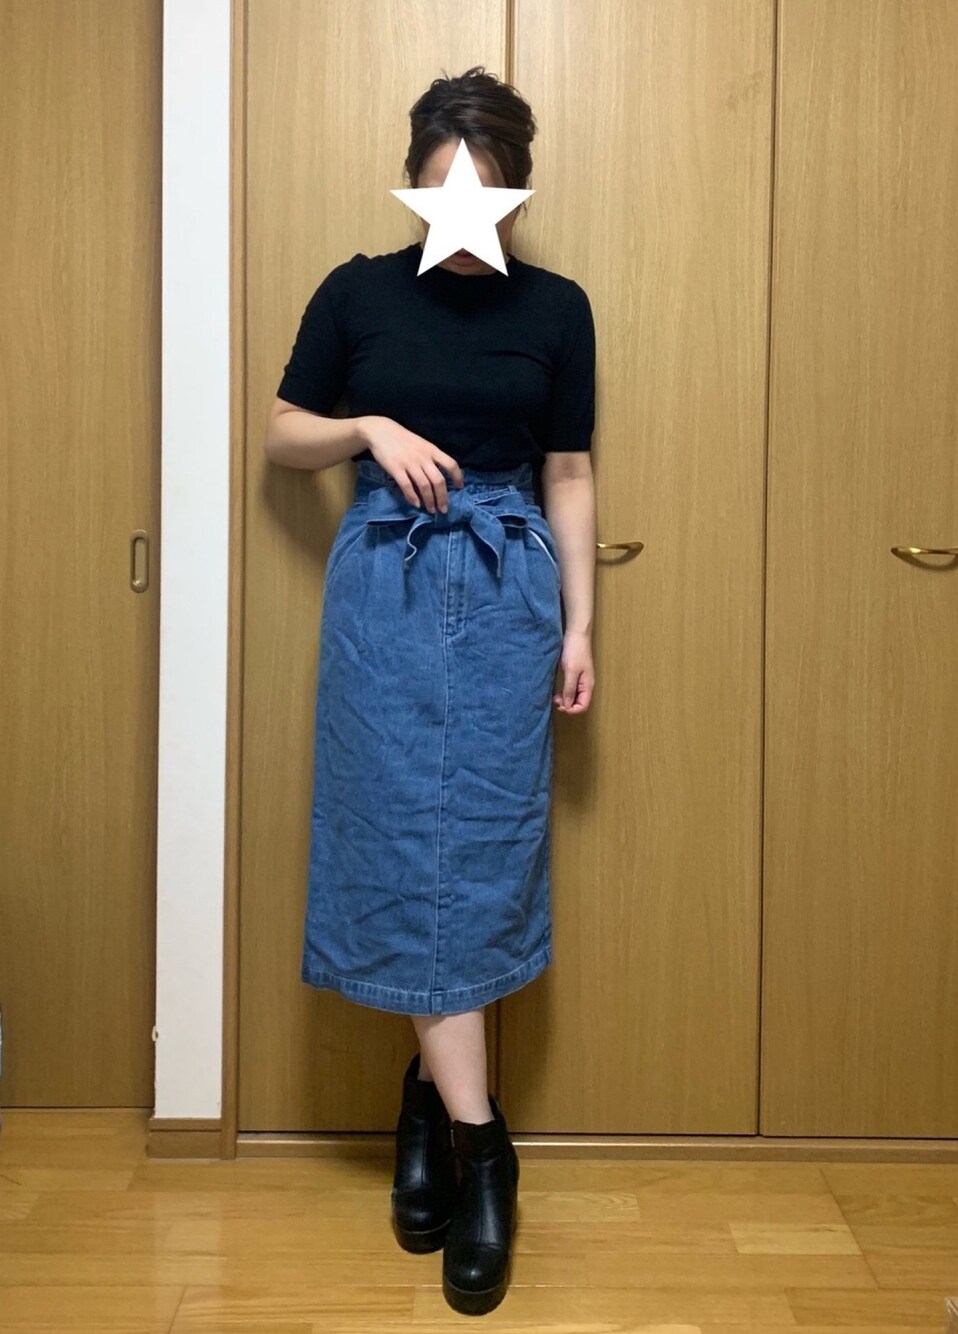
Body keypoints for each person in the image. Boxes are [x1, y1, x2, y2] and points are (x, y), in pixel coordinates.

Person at [264, 66, 596, 1317]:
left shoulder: (556, 308)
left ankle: (430, 1114)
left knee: (481, 848)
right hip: (385, 591)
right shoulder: (356, 292)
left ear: (515, 189)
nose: (465, 208)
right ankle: (481, 1142)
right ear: (414, 180)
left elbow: (569, 470)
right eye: (445, 181)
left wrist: (580, 625)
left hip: (507, 589)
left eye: (488, 185)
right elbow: (280, 433)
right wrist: (368, 429)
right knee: (401, 845)